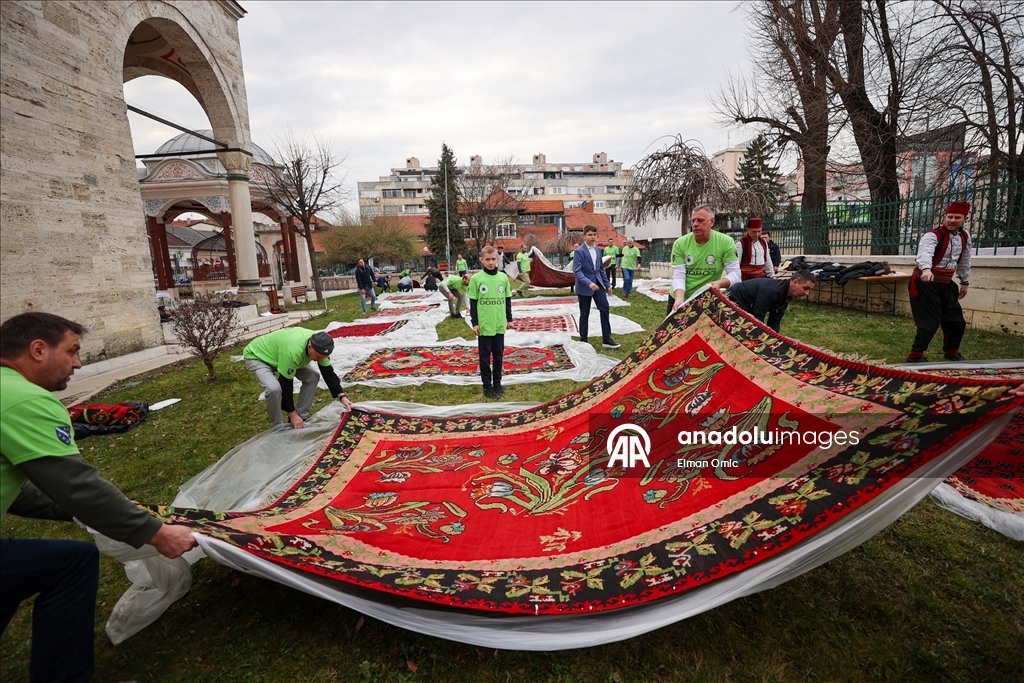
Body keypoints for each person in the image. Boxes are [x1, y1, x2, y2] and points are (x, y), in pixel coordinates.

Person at [0, 312, 198, 682]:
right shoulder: (25, 400)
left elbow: (18, 493)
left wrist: (78, 513)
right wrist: (156, 533)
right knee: (72, 565)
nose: (78, 363)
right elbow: (77, 485)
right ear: (38, 350)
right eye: (72, 351)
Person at [243, 328, 352, 429]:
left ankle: (301, 417)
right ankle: (279, 427)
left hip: (281, 356)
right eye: (318, 356)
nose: (320, 360)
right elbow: (285, 384)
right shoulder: (293, 351)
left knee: (313, 376)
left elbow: (328, 373)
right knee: (274, 389)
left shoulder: (320, 347)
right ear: (309, 346)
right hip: (259, 356)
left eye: (322, 357)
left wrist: (342, 396)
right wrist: (291, 413)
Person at [907, 201, 973, 362]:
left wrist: (964, 282)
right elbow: (925, 254)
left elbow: (965, 260)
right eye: (949, 216)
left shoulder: (965, 237)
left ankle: (952, 352)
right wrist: (926, 269)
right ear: (945, 217)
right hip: (925, 282)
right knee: (930, 319)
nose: (952, 220)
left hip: (946, 284)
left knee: (956, 320)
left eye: (957, 217)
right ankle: (915, 355)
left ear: (965, 218)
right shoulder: (932, 235)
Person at [669, 205, 741, 314]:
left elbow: (735, 274)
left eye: (700, 220)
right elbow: (679, 275)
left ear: (711, 222)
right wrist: (679, 299)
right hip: (681, 297)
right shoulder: (680, 244)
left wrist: (719, 283)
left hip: (707, 298)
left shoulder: (726, 242)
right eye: (693, 220)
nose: (695, 224)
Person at [469, 246, 513, 399]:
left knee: (499, 355)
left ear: (498, 259)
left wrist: (509, 319)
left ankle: (497, 384)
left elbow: (507, 300)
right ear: (481, 260)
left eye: (493, 259)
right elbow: (473, 303)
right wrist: (475, 323)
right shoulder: (476, 279)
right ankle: (487, 386)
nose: (490, 262)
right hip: (485, 324)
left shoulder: (503, 278)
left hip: (499, 323)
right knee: (485, 357)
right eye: (487, 259)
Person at [574, 225, 620, 349]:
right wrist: (588, 283)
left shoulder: (599, 250)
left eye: (594, 234)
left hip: (598, 285)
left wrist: (607, 284)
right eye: (590, 235)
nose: (592, 237)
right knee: (585, 313)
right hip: (585, 287)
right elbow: (577, 271)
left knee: (604, 308)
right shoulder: (579, 252)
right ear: (584, 236)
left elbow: (600, 269)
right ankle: (584, 340)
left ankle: (606, 338)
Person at [727, 270, 815, 332]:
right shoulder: (772, 290)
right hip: (732, 301)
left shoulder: (788, 294)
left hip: (748, 305)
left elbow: (775, 320)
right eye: (805, 288)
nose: (807, 293)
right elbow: (757, 317)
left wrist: (774, 339)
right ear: (794, 282)